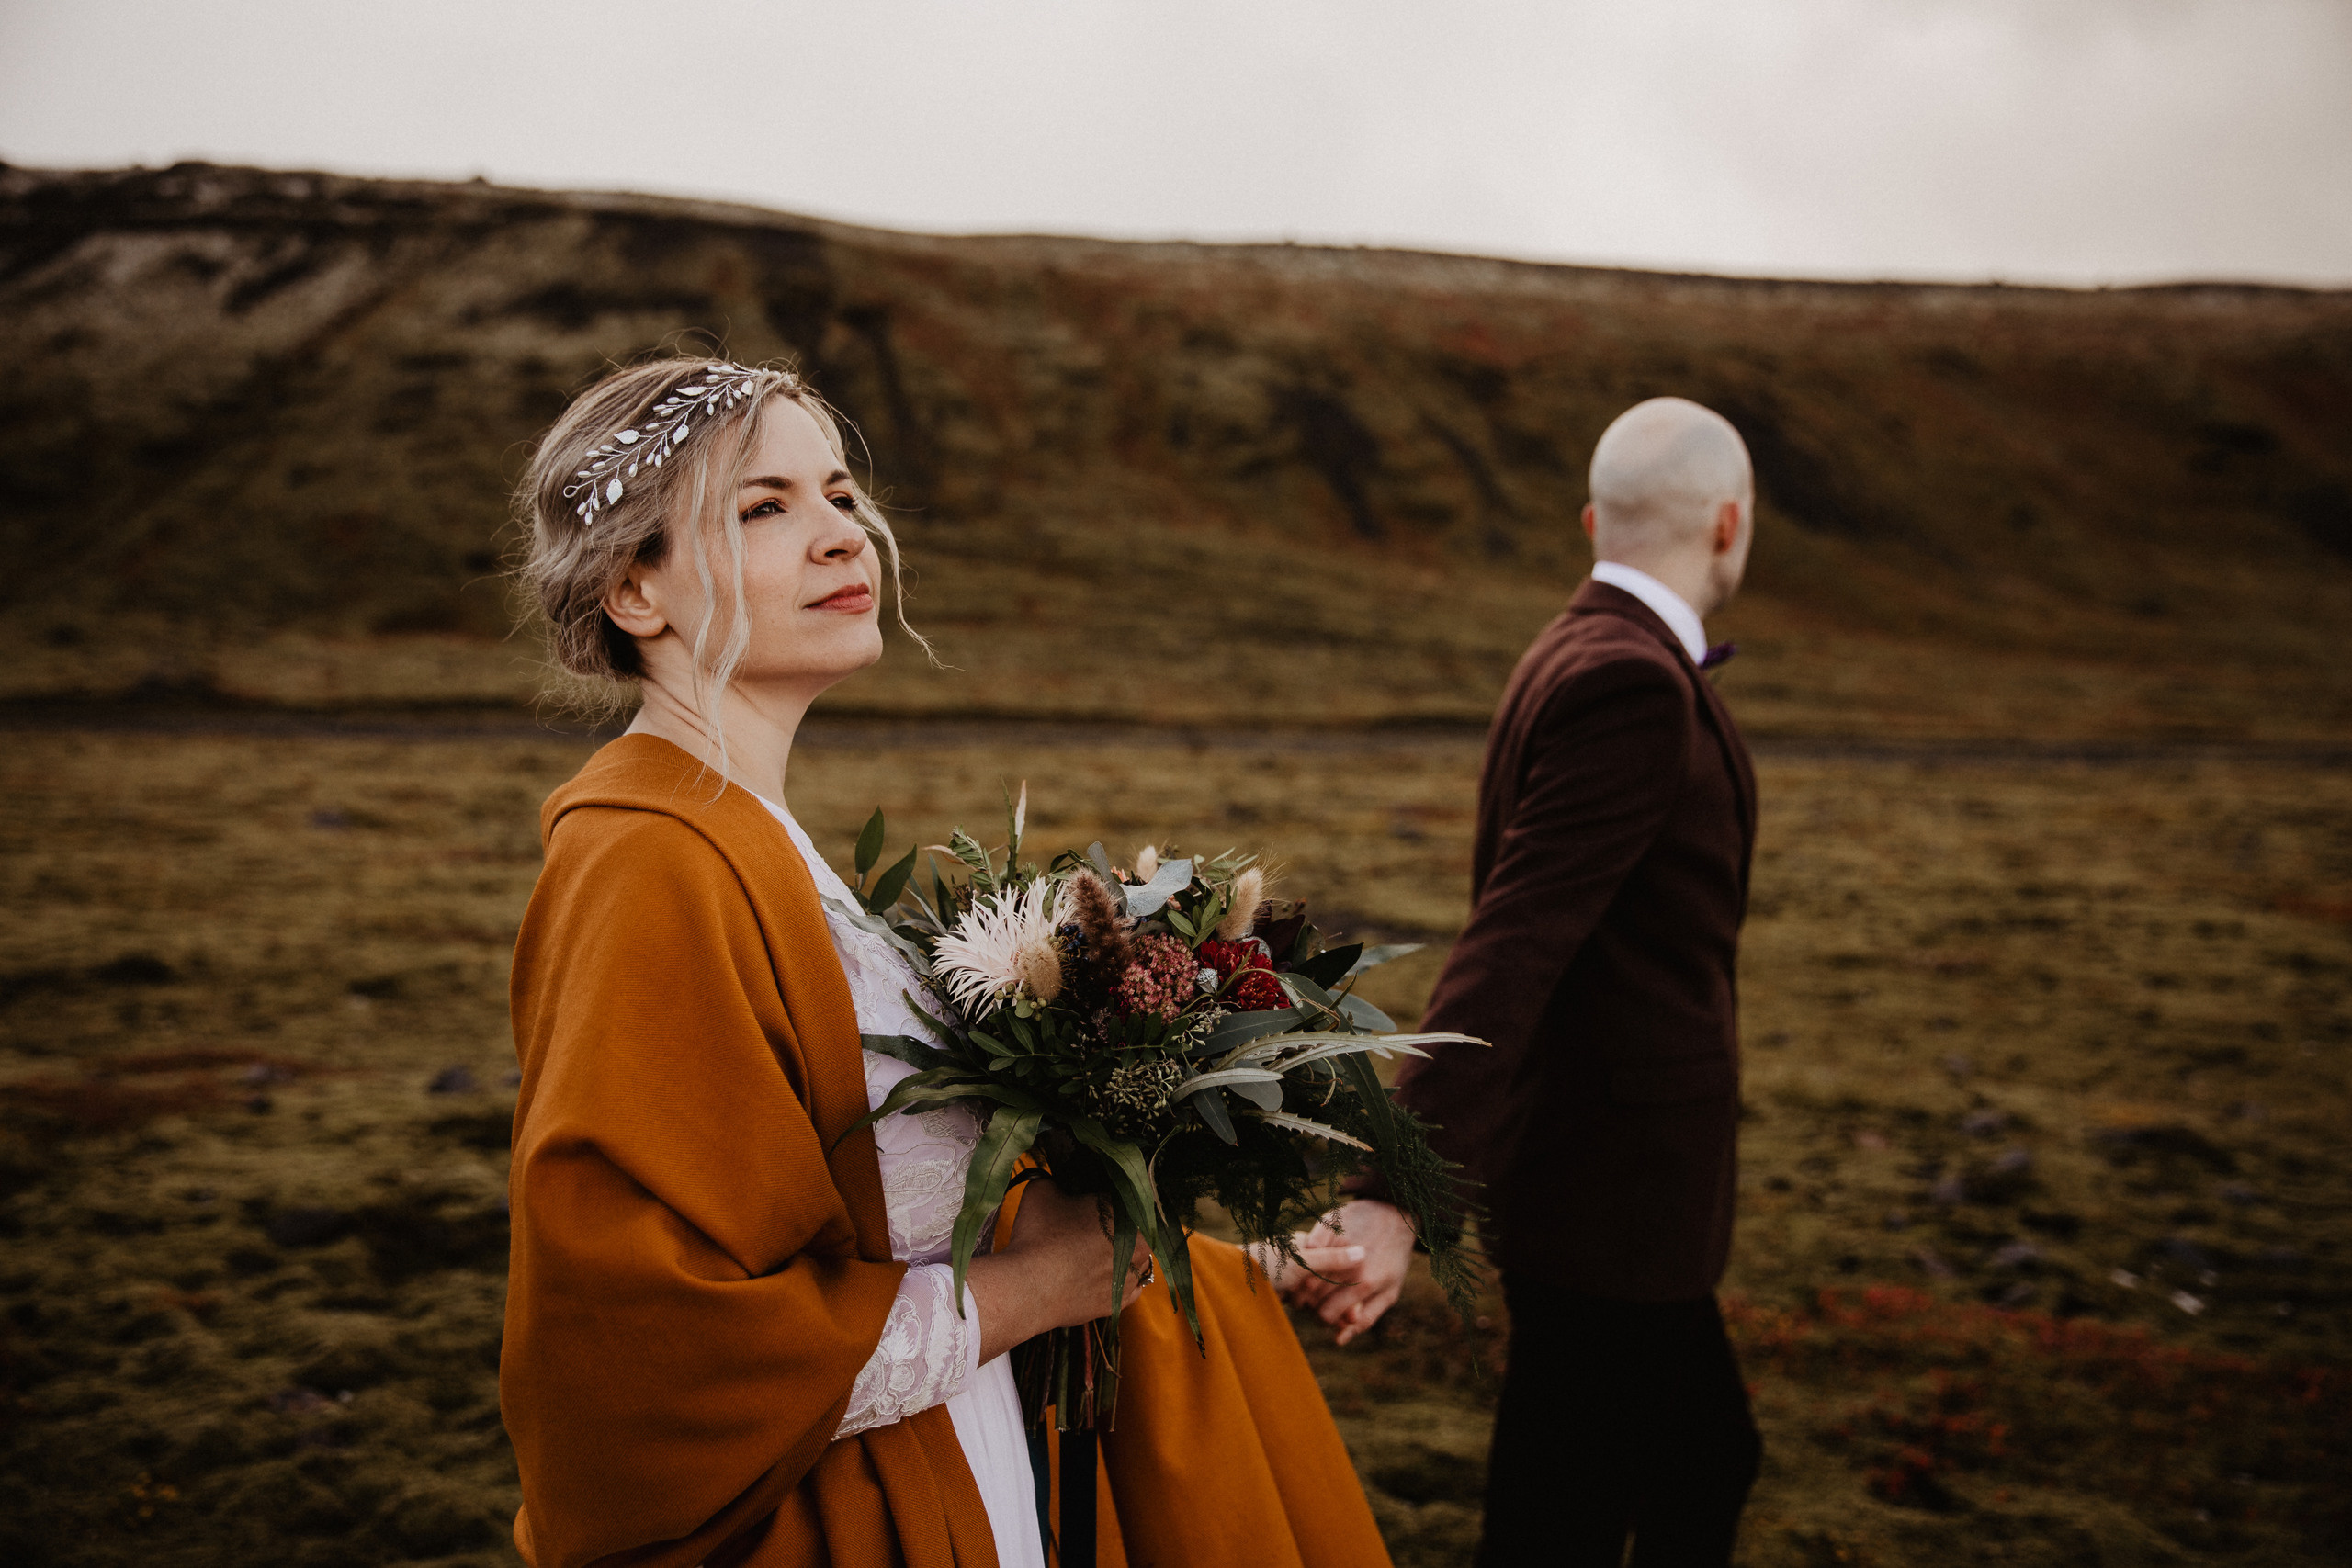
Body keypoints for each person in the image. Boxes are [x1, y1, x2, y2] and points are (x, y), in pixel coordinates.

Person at [500, 355, 1389, 1568]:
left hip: (964, 1469)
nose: (838, 532)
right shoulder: (651, 869)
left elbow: (905, 1214)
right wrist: (1032, 1292)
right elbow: (645, 1366)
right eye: (764, 507)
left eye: (839, 489)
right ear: (634, 590)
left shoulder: (756, 840)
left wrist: (1196, 1257)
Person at [1279, 398, 1763, 1566]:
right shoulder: (1631, 683)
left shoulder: (1573, 644)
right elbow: (1517, 942)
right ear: (1730, 523)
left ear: (1594, 520)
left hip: (1592, 1177)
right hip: (1613, 1194)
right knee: (1587, 1501)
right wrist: (1399, 1187)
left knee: (1676, 1462)